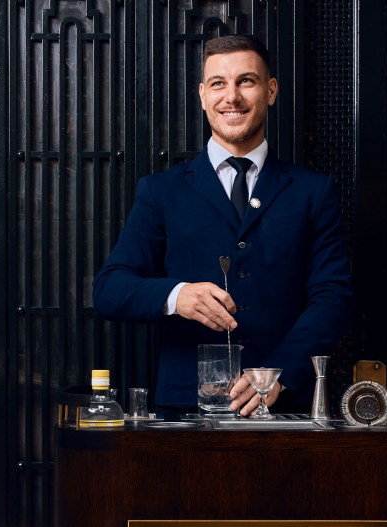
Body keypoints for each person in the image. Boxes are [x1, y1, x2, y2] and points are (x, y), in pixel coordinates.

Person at [92, 34, 352, 416]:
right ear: (202, 95)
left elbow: (333, 298)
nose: (231, 97)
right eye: (218, 83)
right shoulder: (160, 191)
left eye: (246, 81)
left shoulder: (314, 191)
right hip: (185, 408)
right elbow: (109, 288)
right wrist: (176, 296)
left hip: (287, 406)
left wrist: (280, 374)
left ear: (271, 90)